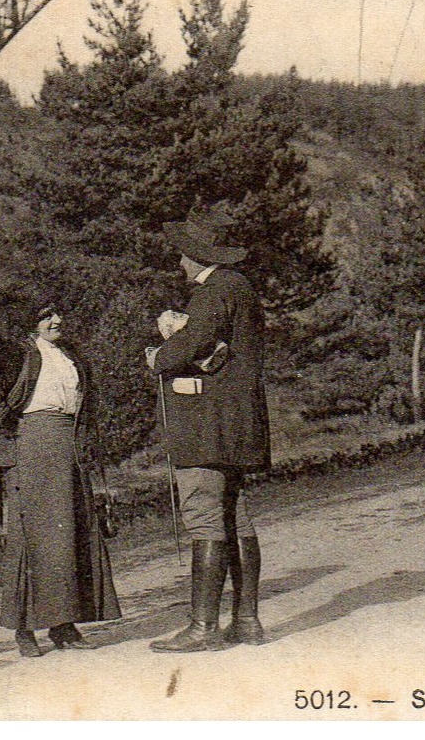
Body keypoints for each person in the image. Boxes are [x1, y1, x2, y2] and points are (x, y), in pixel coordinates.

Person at [146, 206, 269, 653]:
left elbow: (192, 344)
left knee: (203, 517)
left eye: (183, 255)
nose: (180, 264)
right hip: (238, 425)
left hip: (206, 427)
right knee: (237, 516)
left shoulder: (213, 291)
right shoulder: (242, 288)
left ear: (198, 256)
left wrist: (158, 356)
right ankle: (248, 621)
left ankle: (202, 628)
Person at [0, 305, 121, 656]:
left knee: (67, 534)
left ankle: (63, 626)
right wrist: (10, 423)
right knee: (31, 537)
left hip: (67, 445)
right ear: (30, 321)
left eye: (58, 315)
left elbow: (85, 400)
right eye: (46, 316)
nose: (57, 321)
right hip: (32, 444)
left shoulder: (69, 355)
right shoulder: (16, 353)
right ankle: (23, 629)